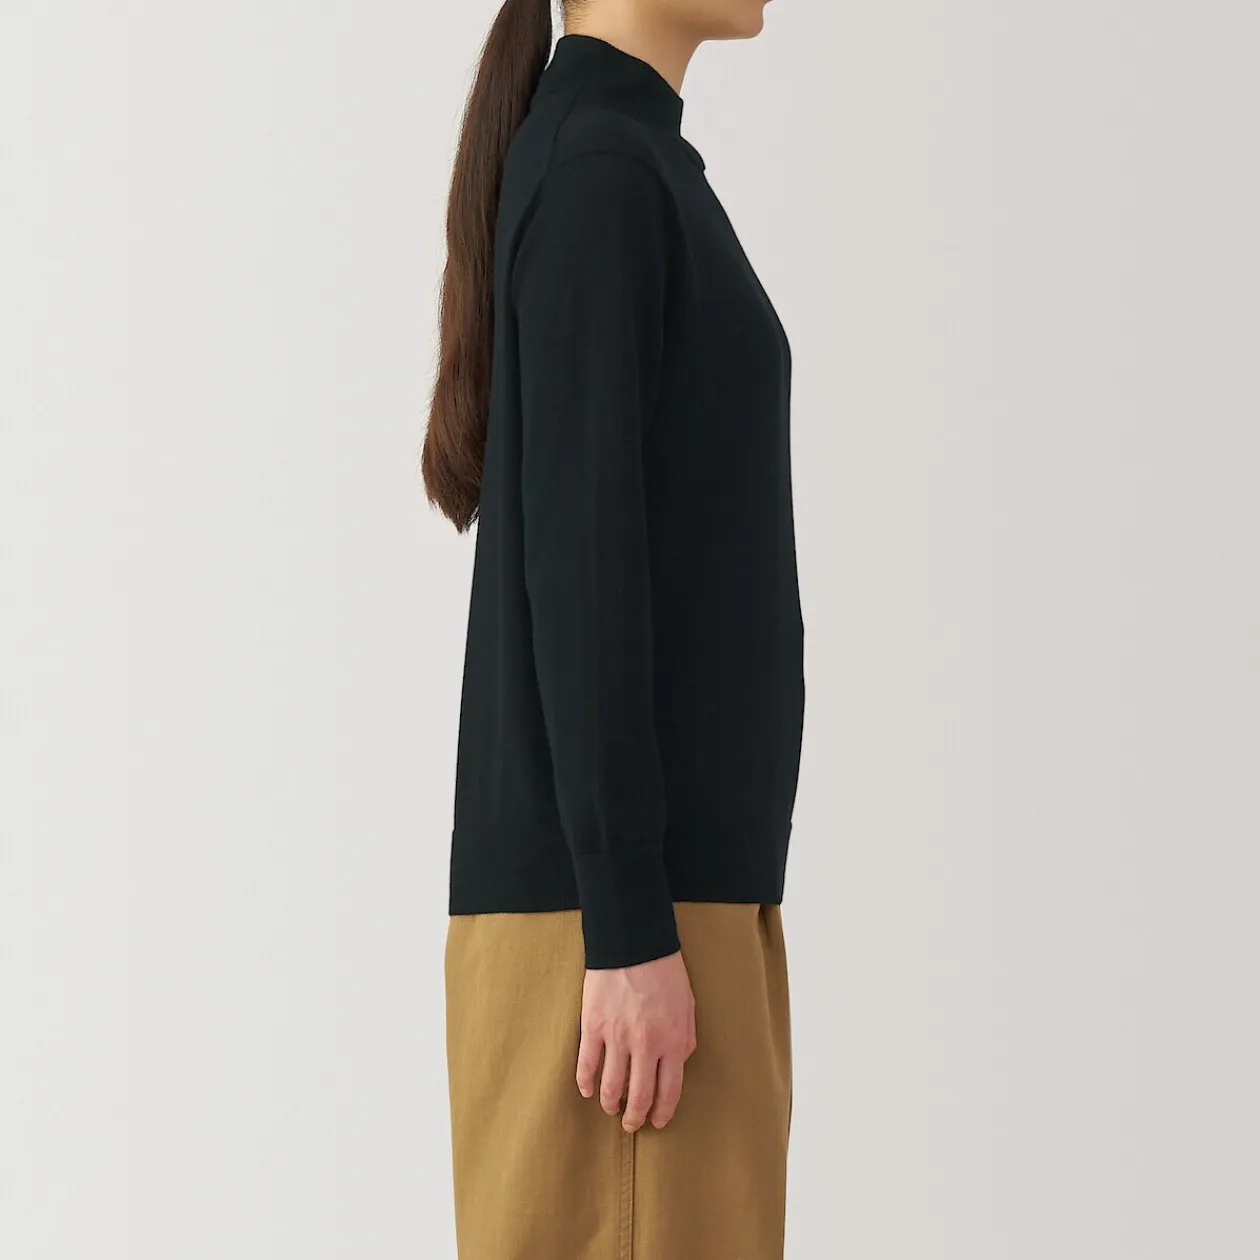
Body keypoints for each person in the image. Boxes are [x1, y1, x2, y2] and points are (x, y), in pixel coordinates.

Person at [422, 1, 804, 1255]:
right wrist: (631, 927)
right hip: (625, 932)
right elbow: (583, 567)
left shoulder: (624, 160)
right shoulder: (601, 170)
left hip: (660, 911)